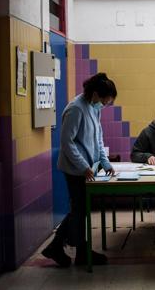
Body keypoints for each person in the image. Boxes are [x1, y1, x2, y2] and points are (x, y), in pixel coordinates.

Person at [42, 73, 117, 267]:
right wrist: (83, 166)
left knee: (80, 210)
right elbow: (67, 143)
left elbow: (98, 137)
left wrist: (105, 162)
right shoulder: (76, 109)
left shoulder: (94, 107)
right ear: (94, 94)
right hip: (75, 169)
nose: (105, 104)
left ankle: (62, 247)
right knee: (79, 210)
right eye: (104, 100)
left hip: (88, 168)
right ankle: (76, 251)